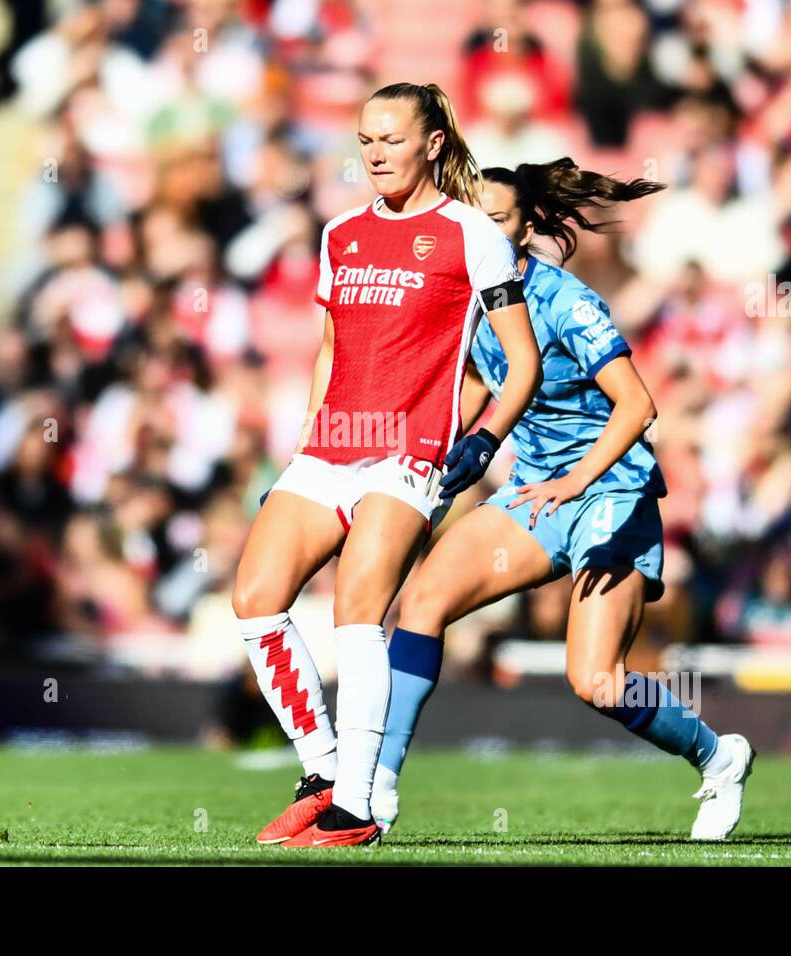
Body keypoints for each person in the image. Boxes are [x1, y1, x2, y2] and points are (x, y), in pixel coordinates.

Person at [369, 159, 756, 842]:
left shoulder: (565, 301)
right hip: (538, 495)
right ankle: (378, 785)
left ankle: (717, 756)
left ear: (525, 228)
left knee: (598, 682)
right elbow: (480, 390)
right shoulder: (465, 299)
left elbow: (638, 405)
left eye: (496, 220)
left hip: (610, 492)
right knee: (423, 603)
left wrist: (576, 482)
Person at [231, 83, 543, 847]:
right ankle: (323, 767)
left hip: (409, 455)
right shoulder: (341, 233)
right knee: (254, 599)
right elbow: (333, 349)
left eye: (391, 139)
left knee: (356, 615)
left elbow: (523, 363)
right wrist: (305, 439)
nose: (374, 153)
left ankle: (359, 807)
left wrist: (484, 439)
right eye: (366, 139)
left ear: (432, 144)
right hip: (329, 447)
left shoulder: (472, 234)